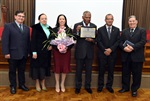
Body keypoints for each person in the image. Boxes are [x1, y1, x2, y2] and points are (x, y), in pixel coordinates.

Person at [2, 10, 30, 94]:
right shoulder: (8, 26)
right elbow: (5, 40)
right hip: (12, 53)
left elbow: (28, 41)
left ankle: (22, 84)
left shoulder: (26, 28)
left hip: (23, 54)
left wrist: (28, 52)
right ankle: (13, 86)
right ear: (15, 16)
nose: (21, 18)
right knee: (12, 71)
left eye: (23, 16)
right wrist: (6, 52)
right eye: (19, 16)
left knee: (22, 71)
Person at [118, 15, 146, 97]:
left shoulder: (142, 30)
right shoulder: (124, 31)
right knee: (125, 73)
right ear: (128, 22)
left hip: (137, 56)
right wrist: (124, 48)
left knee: (136, 74)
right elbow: (120, 42)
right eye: (130, 21)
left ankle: (134, 89)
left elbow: (143, 41)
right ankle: (125, 87)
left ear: (136, 22)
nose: (132, 22)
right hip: (126, 56)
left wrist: (133, 47)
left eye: (133, 21)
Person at [73, 11, 97, 94]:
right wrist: (77, 31)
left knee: (89, 71)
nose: (88, 19)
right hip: (80, 52)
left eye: (89, 17)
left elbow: (96, 40)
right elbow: (74, 38)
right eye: (86, 17)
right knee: (78, 71)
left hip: (89, 53)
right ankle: (78, 87)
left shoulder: (94, 26)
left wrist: (92, 40)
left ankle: (88, 86)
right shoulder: (77, 25)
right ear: (83, 17)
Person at [96, 14, 120, 93]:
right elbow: (98, 41)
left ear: (113, 20)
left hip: (112, 54)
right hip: (102, 54)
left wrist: (111, 50)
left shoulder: (117, 30)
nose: (109, 20)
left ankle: (109, 86)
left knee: (111, 71)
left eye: (111, 19)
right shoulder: (100, 29)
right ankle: (100, 86)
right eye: (108, 19)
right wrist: (105, 50)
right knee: (101, 71)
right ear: (105, 20)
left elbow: (118, 41)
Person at [30, 13, 53, 92]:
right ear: (39, 20)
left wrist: (51, 45)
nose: (44, 20)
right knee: (36, 68)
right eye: (42, 18)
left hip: (46, 53)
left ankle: (43, 83)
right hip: (37, 52)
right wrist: (34, 52)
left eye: (45, 18)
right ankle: (37, 84)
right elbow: (33, 41)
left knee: (44, 68)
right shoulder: (36, 28)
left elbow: (51, 39)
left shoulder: (49, 28)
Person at [52, 14, 74, 93]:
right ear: (58, 20)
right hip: (57, 52)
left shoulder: (69, 30)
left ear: (65, 20)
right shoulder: (54, 30)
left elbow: (72, 42)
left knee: (65, 68)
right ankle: (57, 83)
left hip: (66, 52)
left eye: (63, 19)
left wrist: (66, 48)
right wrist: (58, 48)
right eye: (60, 19)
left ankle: (62, 84)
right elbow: (51, 41)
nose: (61, 20)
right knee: (57, 67)